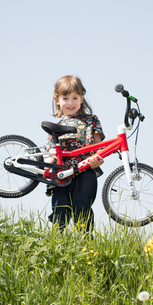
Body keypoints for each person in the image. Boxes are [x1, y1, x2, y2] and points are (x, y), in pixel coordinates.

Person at [45, 75, 105, 232]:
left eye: (74, 98)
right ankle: (57, 244)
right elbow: (51, 150)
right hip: (62, 174)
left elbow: (99, 146)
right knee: (60, 209)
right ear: (57, 99)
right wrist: (47, 163)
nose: (70, 103)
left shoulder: (91, 120)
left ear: (81, 98)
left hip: (86, 170)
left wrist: (98, 158)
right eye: (65, 98)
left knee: (82, 205)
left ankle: (86, 243)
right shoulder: (55, 127)